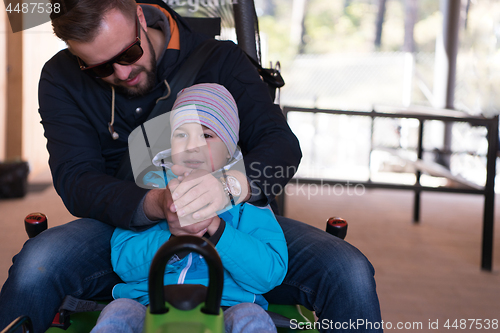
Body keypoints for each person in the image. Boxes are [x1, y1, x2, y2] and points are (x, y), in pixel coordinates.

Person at [0, 0, 383, 332]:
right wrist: (154, 205)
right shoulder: (61, 78)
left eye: (129, 53)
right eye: (100, 68)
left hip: (235, 216)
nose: (121, 73)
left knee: (348, 272)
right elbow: (75, 179)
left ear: (139, 14)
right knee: (38, 264)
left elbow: (282, 147)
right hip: (126, 224)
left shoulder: (220, 59)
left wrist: (227, 189)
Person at [90, 83, 287, 333]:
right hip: (151, 303)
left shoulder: (247, 203)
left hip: (227, 304)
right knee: (117, 314)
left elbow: (269, 273)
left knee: (252, 319)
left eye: (206, 135)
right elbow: (123, 262)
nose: (192, 146)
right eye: (182, 134)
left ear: (229, 149)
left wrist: (217, 230)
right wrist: (174, 239)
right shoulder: (152, 192)